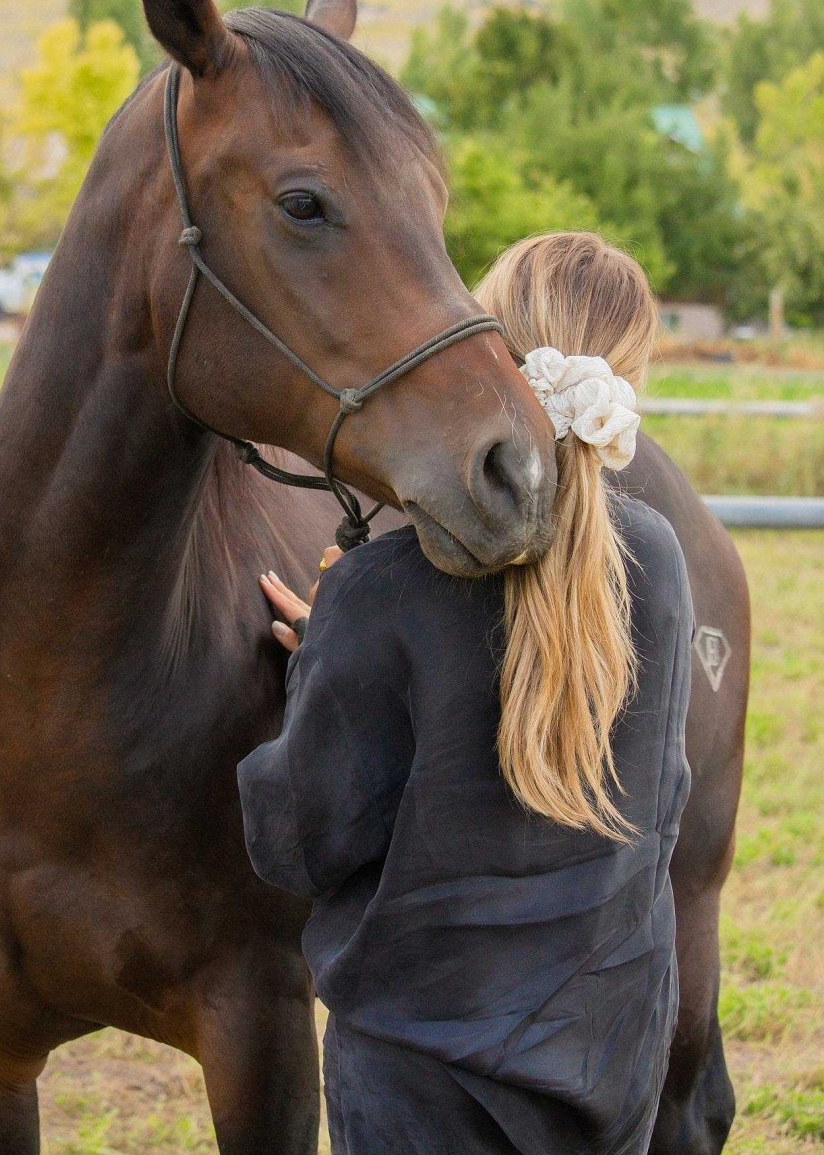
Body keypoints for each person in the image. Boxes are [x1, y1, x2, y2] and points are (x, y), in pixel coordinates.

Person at [237, 232, 693, 1155]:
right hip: (615, 1047)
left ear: (487, 344)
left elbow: (299, 841)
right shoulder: (662, 562)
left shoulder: (380, 587)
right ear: (629, 377)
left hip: (418, 1067)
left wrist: (323, 655)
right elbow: (665, 806)